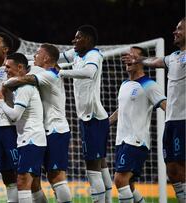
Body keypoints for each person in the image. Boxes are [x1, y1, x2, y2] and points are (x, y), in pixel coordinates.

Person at [122, 17, 185, 202]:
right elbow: (156, 61)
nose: (175, 32)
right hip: (171, 122)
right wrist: (139, 58)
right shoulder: (173, 57)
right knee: (172, 169)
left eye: (179, 29)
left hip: (183, 119)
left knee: (182, 166)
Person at [3, 43, 72, 202]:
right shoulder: (46, 72)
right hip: (44, 131)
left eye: (37, 54)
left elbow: (25, 78)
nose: (34, 57)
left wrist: (5, 84)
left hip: (55, 130)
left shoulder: (50, 75)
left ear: (46, 58)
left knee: (56, 176)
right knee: (35, 181)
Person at [58, 25, 113, 202]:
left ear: (87, 40)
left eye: (78, 37)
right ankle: (109, 200)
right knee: (101, 164)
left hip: (93, 118)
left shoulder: (93, 55)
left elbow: (89, 72)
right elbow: (55, 57)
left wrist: (61, 73)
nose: (74, 40)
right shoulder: (77, 54)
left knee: (92, 167)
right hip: (91, 118)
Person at [110, 46, 167, 203]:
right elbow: (121, 110)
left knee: (120, 180)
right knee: (129, 184)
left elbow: (166, 106)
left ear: (141, 61)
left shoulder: (149, 84)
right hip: (121, 141)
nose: (127, 59)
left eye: (132, 56)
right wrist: (107, 122)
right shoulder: (124, 85)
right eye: (126, 56)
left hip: (136, 141)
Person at [0, 53, 46, 203]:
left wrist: (1, 102)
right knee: (34, 185)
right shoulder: (21, 87)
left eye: (8, 67)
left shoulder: (24, 88)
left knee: (22, 182)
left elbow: (15, 116)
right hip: (31, 139)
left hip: (31, 140)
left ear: (19, 67)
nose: (5, 70)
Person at [0, 32, 18, 202]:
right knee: (6, 172)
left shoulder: (12, 68)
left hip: (12, 126)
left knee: (19, 170)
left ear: (6, 49)